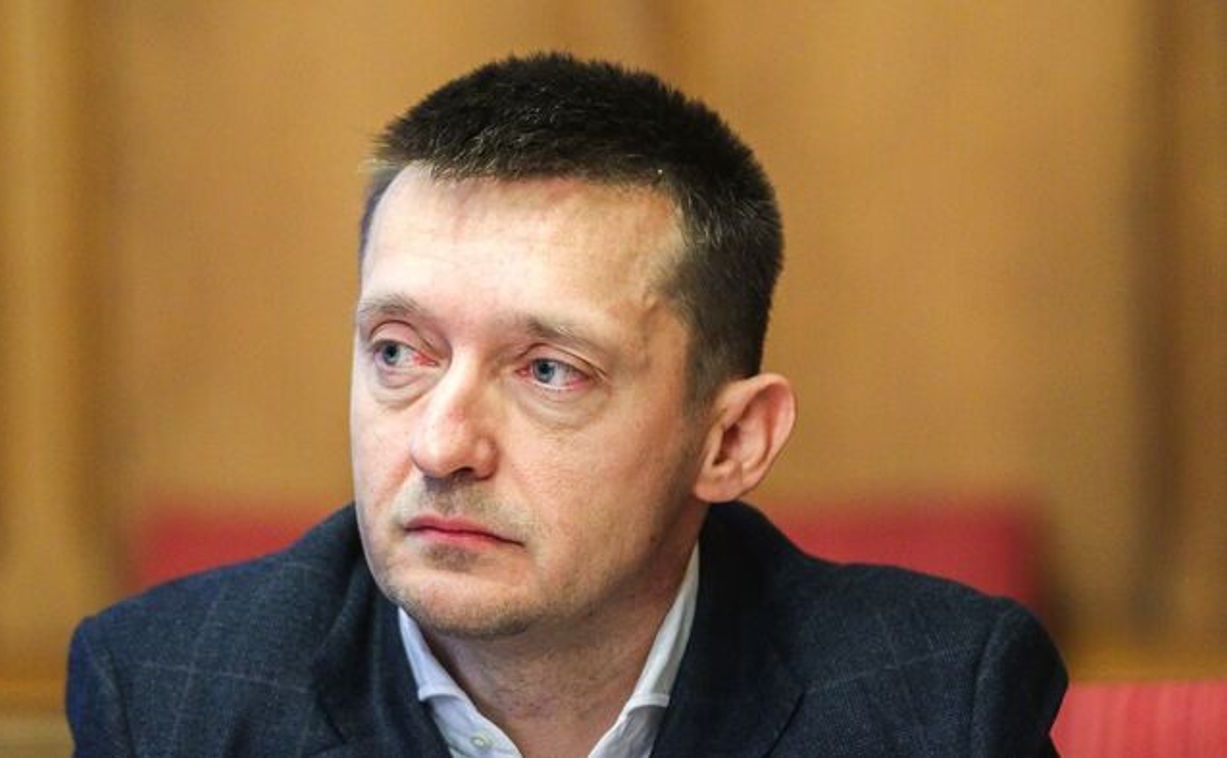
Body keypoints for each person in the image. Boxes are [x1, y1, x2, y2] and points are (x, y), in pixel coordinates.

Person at [67, 53, 1066, 757]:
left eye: (549, 371)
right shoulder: (168, 694)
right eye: (398, 352)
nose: (441, 443)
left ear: (730, 440)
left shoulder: (937, 701)